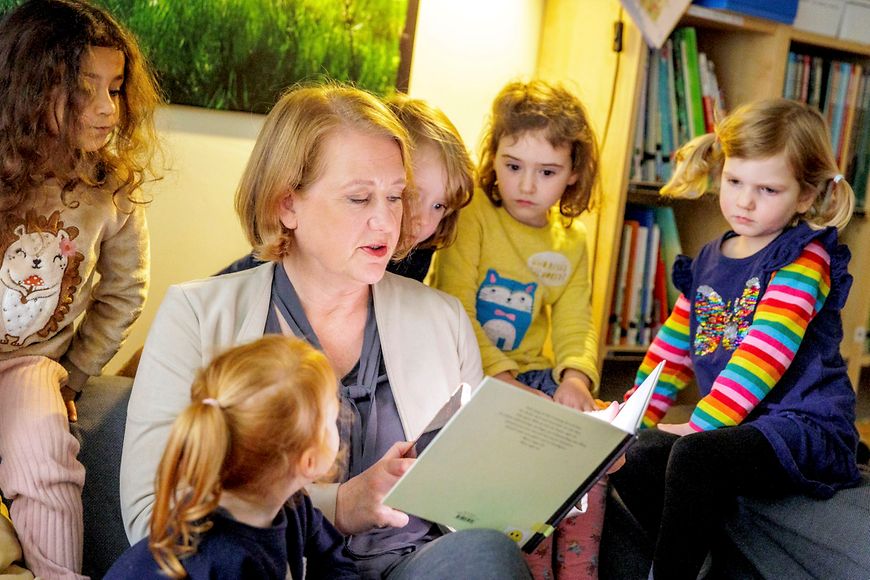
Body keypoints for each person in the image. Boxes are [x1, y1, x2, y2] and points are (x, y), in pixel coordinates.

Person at [120, 83, 531, 580]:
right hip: (274, 569)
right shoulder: (197, 314)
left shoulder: (443, 317)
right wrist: (340, 503)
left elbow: (476, 502)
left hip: (422, 567)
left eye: (398, 196)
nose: (388, 220)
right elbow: (153, 515)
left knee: (485, 555)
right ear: (286, 204)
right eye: (359, 198)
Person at [609, 98, 862, 580]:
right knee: (634, 453)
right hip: (740, 425)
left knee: (694, 454)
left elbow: (764, 353)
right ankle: (698, 562)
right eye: (735, 182)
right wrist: (631, 414)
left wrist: (701, 424)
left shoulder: (802, 259)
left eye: (767, 189)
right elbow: (673, 348)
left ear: (805, 197)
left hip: (804, 426)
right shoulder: (709, 257)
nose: (745, 201)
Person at [0, 1, 161, 577]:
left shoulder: (110, 187)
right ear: (29, 88)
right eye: (83, 90)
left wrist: (79, 371)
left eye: (115, 90)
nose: (105, 109)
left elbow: (124, 292)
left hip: (32, 366)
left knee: (47, 459)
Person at [429, 79, 604, 579]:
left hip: (535, 379)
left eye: (547, 171)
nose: (527, 186)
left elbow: (575, 318)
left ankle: (578, 572)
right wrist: (501, 380)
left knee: (588, 451)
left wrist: (575, 377)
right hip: (472, 375)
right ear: (493, 160)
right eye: (513, 167)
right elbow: (456, 305)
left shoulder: (571, 240)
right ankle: (528, 570)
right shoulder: (475, 216)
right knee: (520, 475)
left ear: (573, 174)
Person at [106, 336, 358, 579]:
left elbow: (333, 562)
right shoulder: (224, 560)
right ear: (308, 461)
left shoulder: (293, 507)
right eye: (331, 417)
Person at [219, 92, 473, 282]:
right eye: (409, 196)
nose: (423, 221)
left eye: (439, 206)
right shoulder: (281, 263)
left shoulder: (418, 252)